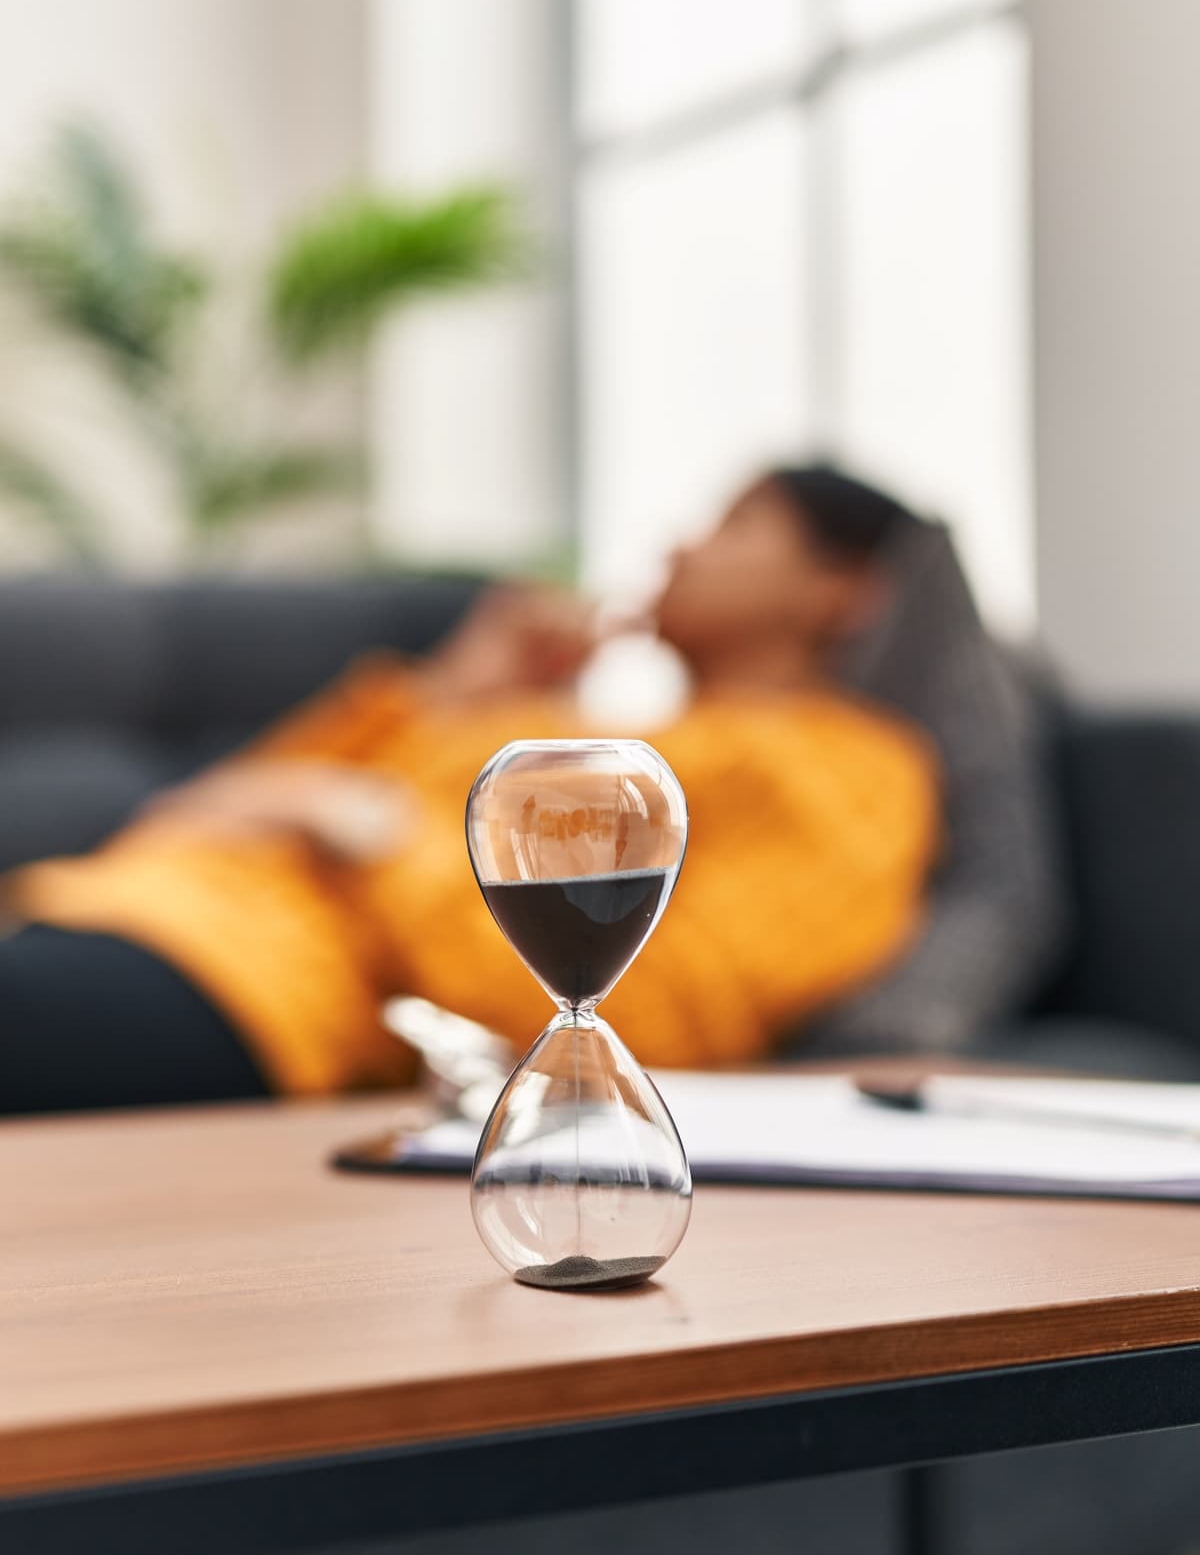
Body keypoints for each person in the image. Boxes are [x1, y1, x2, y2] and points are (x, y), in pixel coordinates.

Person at [0, 465, 1059, 1113]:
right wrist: (456, 686)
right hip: (110, 911)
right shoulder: (570, 730)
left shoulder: (845, 770)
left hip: (257, 997)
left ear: (845, 590)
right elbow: (215, 806)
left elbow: (626, 1005)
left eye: (737, 523)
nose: (678, 543)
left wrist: (371, 832)